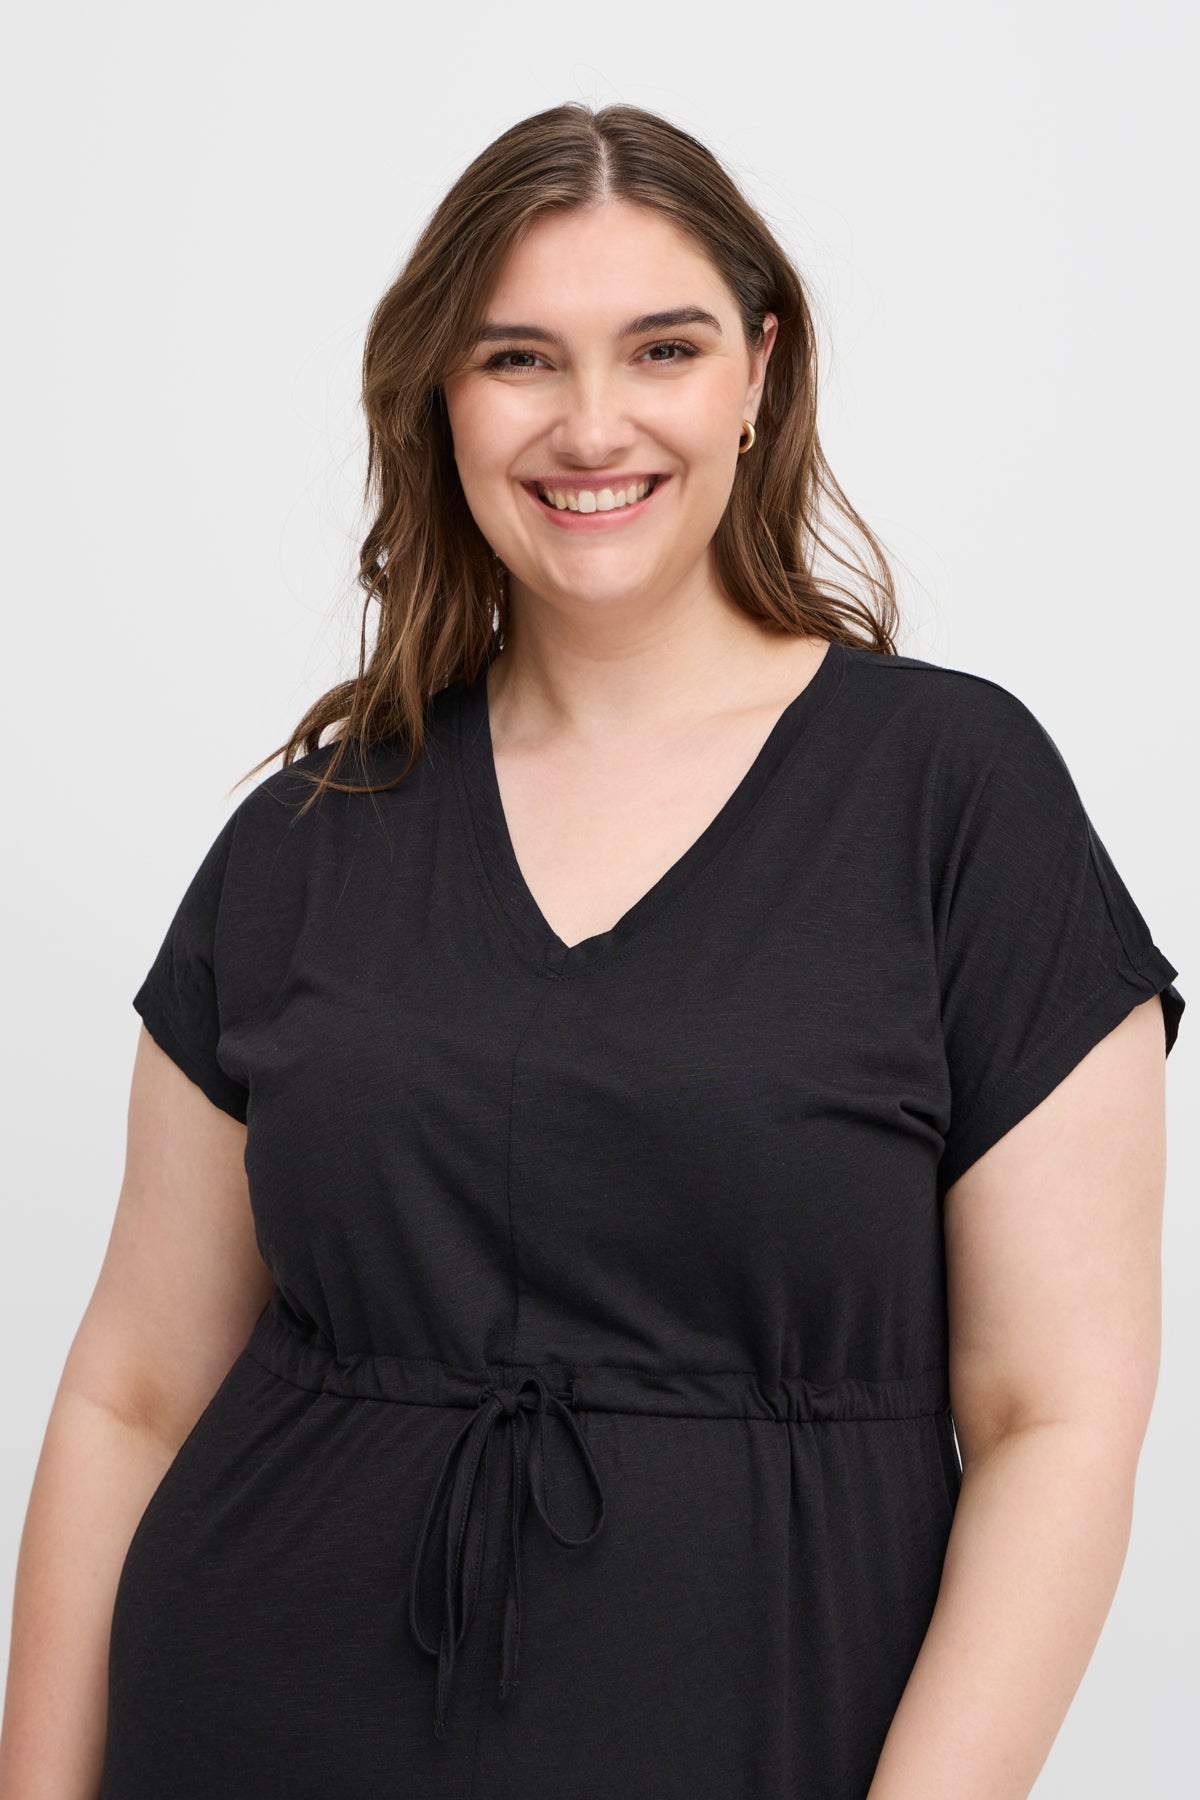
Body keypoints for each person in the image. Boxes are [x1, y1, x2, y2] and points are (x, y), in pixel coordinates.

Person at [0, 102, 1184, 1800]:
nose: (591, 423)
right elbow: (129, 1393)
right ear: (442, 395)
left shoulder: (955, 796)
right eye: (519, 359)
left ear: (759, 370)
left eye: (663, 348)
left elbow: (1054, 1420)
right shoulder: (311, 832)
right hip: (252, 1724)